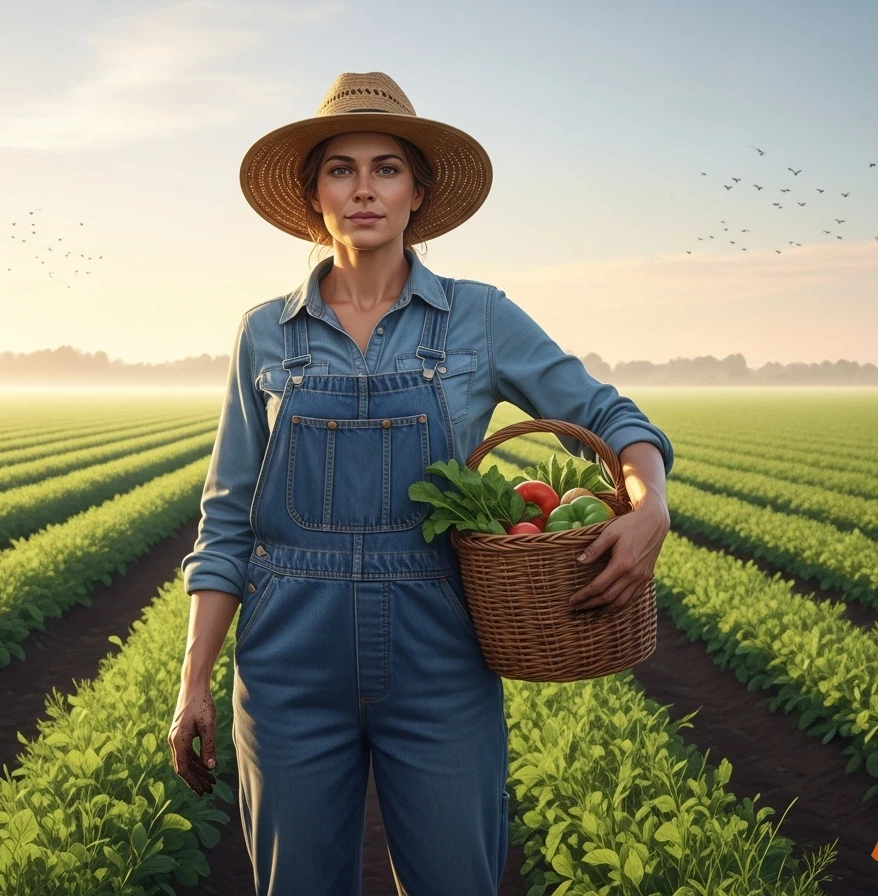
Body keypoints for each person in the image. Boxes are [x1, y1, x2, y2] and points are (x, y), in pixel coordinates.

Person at [171, 71, 673, 895]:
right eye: (340, 168)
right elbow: (226, 520)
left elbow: (612, 417)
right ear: (314, 194)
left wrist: (650, 503)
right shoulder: (265, 334)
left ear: (418, 192)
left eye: (386, 168)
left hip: (439, 653)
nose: (363, 188)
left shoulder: (478, 316)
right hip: (289, 660)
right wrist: (194, 680)